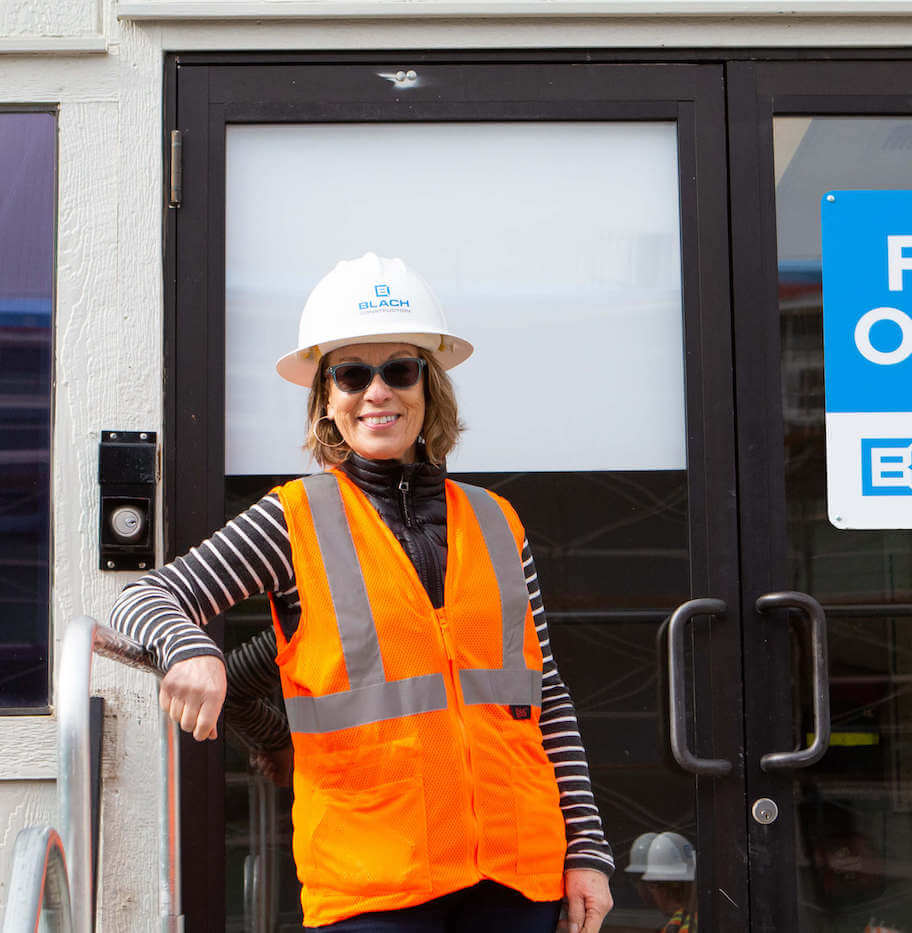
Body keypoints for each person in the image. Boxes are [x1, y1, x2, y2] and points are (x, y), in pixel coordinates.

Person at [111, 253, 615, 931]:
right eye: (352, 373)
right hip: (372, 884)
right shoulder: (291, 520)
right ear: (326, 398)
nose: (377, 391)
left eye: (399, 370)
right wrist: (187, 648)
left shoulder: (498, 519)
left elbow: (545, 690)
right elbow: (145, 597)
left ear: (428, 388)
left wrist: (586, 849)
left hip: (516, 871)